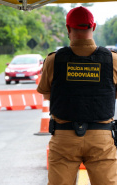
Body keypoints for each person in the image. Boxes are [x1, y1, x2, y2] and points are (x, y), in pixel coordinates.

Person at [37, 6, 117, 185]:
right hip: (101, 138)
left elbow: (48, 93)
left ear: (67, 28)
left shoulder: (53, 60)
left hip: (64, 137)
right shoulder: (112, 60)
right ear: (94, 27)